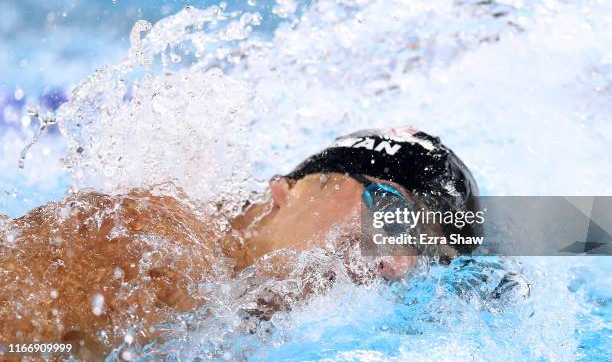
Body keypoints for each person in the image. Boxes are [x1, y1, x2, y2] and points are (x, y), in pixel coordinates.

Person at [0, 127, 480, 358]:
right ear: (286, 192)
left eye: (423, 252)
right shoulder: (149, 245)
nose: (394, 261)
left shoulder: (251, 312)